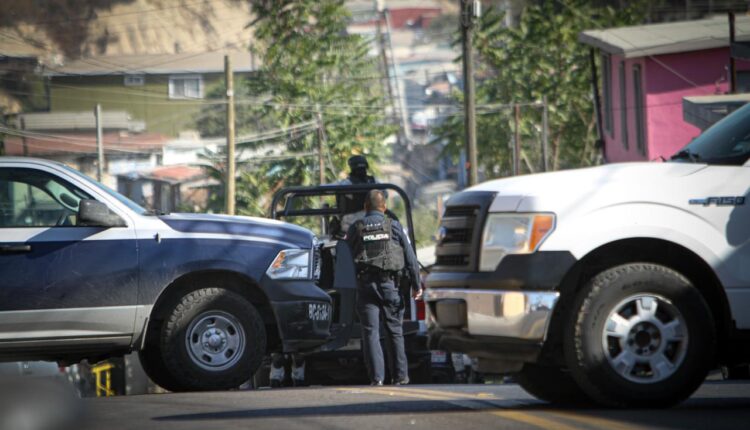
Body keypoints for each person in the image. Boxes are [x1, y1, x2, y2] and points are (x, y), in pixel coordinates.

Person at [346, 190, 422, 386]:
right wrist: (416, 285)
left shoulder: (356, 228)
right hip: (390, 285)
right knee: (394, 331)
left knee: (370, 332)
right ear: (384, 207)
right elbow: (411, 258)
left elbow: (345, 257)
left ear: (365, 207)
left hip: (365, 285)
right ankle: (400, 377)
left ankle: (377, 379)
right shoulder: (394, 226)